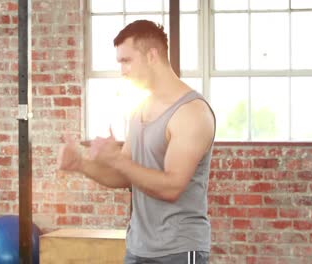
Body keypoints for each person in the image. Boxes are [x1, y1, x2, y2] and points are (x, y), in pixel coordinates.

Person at [57, 20, 215, 264]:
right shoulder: (140, 109)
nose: (122, 70)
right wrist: (80, 164)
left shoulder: (191, 112)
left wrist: (116, 159)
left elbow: (172, 187)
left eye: (126, 61)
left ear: (152, 56)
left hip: (179, 250)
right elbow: (125, 176)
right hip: (138, 248)